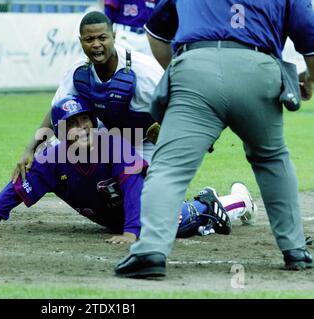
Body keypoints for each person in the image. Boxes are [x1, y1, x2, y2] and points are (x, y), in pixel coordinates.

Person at [115, 0, 314, 278]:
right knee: (272, 159)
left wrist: (183, 70)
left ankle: (150, 251)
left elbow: (156, 34)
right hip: (258, 68)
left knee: (170, 168)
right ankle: (294, 250)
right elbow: (308, 30)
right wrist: (311, 79)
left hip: (195, 65)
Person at [0, 96, 257, 243]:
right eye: (71, 125)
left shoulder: (113, 145)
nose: (81, 128)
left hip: (154, 206)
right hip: (119, 215)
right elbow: (18, 188)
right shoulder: (52, 159)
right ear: (59, 131)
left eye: (84, 120)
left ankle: (230, 202)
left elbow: (134, 187)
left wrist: (131, 233)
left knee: (183, 222)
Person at [12, 11, 164, 181]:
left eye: (102, 38)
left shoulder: (145, 71)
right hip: (107, 137)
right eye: (89, 39)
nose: (96, 44)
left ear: (114, 36)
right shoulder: (80, 71)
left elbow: (176, 110)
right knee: (47, 152)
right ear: (81, 41)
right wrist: (29, 149)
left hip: (144, 142)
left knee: (146, 195)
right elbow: (57, 108)